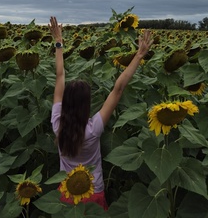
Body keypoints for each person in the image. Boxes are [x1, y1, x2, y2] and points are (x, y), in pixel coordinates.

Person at [49, 16, 153, 210]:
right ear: (86, 106)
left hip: (66, 191)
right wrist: (139, 55)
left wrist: (58, 43)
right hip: (93, 191)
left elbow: (60, 75)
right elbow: (118, 89)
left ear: (66, 103)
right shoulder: (94, 128)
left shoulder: (57, 124)